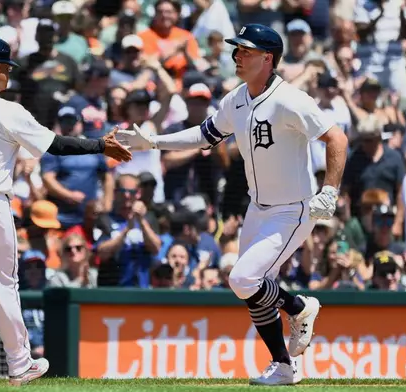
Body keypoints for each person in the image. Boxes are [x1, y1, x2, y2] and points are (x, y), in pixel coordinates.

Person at [116, 24, 349, 385]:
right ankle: (285, 362)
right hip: (258, 207)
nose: (237, 56)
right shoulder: (236, 98)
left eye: (246, 50)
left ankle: (300, 309)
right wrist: (154, 142)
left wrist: (330, 190)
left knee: (243, 278)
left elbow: (336, 137)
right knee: (254, 289)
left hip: (293, 209)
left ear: (267, 58)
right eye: (236, 49)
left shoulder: (291, 99)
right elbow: (205, 134)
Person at [0, 36, 131, 387]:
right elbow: (56, 145)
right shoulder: (6, 109)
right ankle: (19, 364)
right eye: (4, 66)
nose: (6, 73)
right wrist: (100, 144)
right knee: (3, 285)